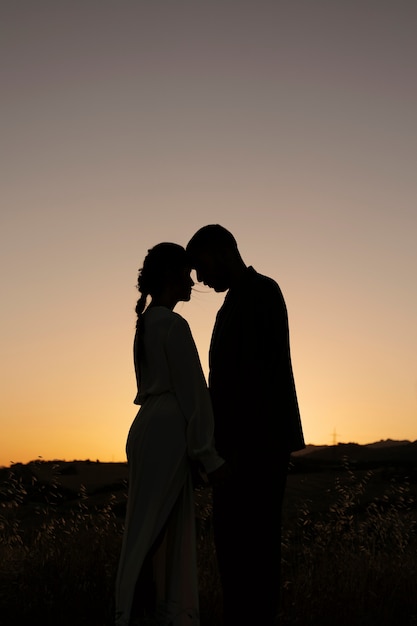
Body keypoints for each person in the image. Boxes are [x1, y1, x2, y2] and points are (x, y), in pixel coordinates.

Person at [186, 225, 305, 626]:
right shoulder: (235, 302)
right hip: (236, 449)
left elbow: (262, 379)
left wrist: (232, 452)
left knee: (254, 550)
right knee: (234, 551)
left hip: (256, 449)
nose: (200, 279)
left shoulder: (262, 292)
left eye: (201, 267)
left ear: (222, 252)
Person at [115, 242, 225, 626]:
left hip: (146, 427)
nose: (192, 281)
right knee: (158, 529)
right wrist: (208, 456)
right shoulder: (173, 325)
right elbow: (194, 394)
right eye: (185, 273)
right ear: (169, 276)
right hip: (166, 431)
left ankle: (135, 611)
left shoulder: (146, 323)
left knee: (146, 526)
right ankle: (143, 614)